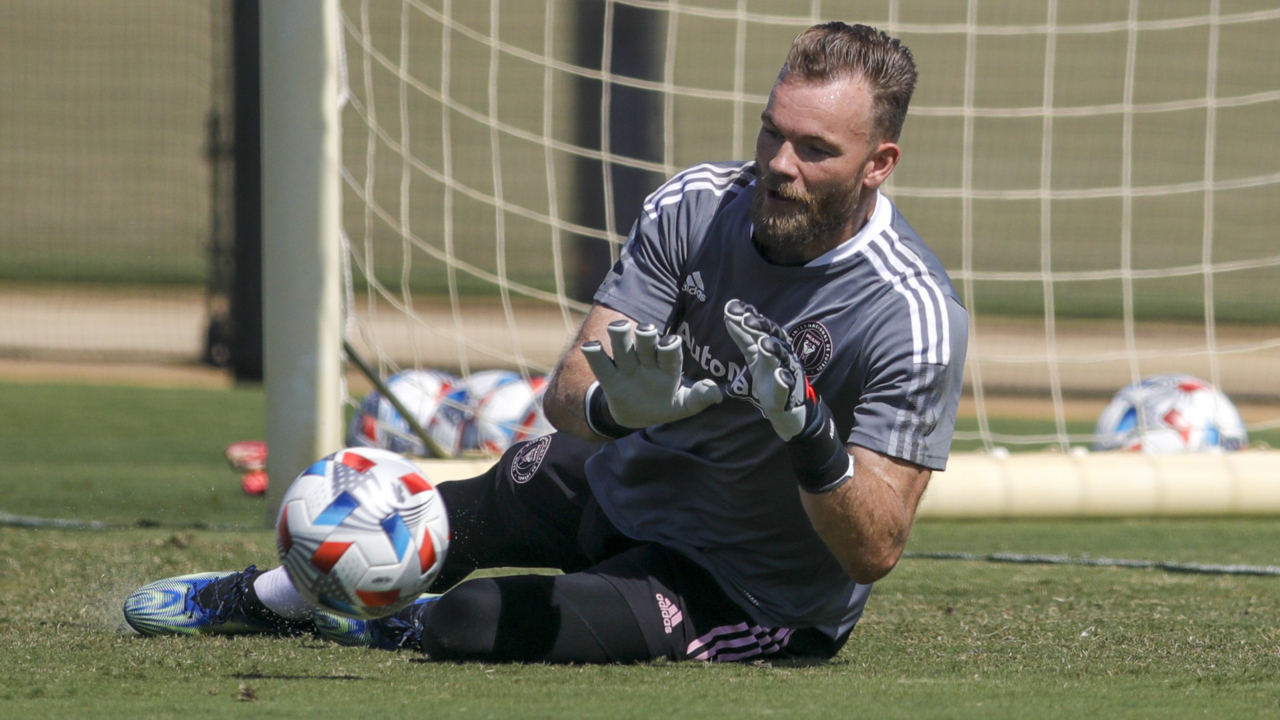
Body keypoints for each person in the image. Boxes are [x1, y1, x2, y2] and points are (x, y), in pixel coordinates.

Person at [123, 21, 967, 664]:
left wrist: (810, 435)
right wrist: (613, 406)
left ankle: (361, 622)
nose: (780, 164)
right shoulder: (694, 207)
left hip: (743, 588)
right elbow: (567, 396)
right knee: (424, 523)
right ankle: (262, 597)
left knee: (469, 623)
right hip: (631, 476)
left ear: (878, 163)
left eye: (816, 150)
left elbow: (876, 547)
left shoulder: (913, 312)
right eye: (771, 131)